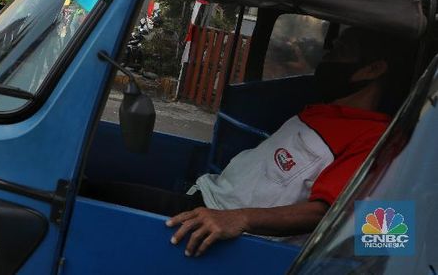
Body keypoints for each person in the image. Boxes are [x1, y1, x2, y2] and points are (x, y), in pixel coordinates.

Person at [159, 28, 404, 256]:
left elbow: (333, 212)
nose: (327, 57)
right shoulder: (321, 111)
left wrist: (241, 218)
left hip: (228, 236)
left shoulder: (376, 138)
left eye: (341, 51)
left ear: (373, 69)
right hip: (204, 201)